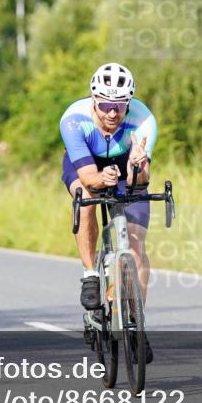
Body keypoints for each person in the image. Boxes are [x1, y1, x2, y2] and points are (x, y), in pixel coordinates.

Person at [59, 62, 158, 361]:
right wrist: (102, 179)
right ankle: (91, 274)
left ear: (129, 102)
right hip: (87, 166)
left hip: (128, 167)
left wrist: (137, 166)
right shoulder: (74, 121)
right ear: (94, 100)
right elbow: (89, 178)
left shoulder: (143, 120)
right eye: (105, 105)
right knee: (86, 195)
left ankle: (135, 322)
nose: (112, 113)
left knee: (136, 244)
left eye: (119, 105)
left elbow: (143, 180)